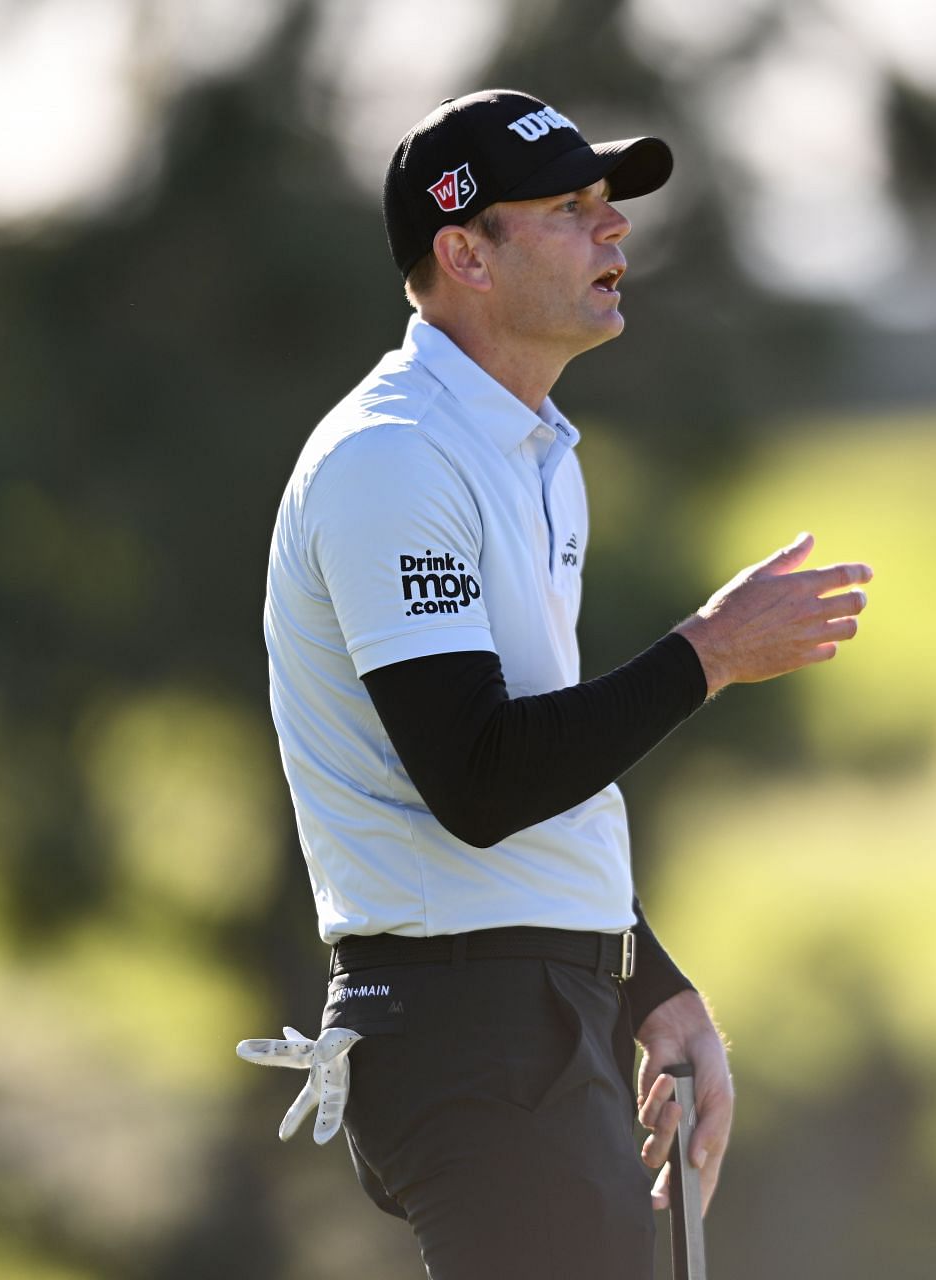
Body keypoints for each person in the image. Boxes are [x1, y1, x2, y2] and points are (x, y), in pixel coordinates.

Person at [260, 88, 871, 1277]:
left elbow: (537, 783)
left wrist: (656, 988)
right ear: (463, 253)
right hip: (469, 1030)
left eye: (610, 205)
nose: (615, 231)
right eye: (568, 207)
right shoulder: (393, 458)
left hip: (525, 1016)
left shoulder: (529, 456)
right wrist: (711, 653)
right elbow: (478, 777)